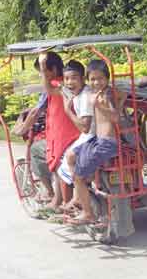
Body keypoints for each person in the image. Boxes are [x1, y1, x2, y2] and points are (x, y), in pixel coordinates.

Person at [66, 60, 126, 225]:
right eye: (92, 79)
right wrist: (118, 103)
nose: (96, 82)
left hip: (106, 143)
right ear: (88, 80)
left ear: (106, 79)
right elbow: (123, 94)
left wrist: (99, 107)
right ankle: (83, 193)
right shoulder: (103, 93)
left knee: (78, 176)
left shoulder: (103, 96)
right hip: (99, 140)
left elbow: (115, 118)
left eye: (100, 79)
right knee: (72, 156)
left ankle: (88, 213)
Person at [38, 52, 81, 211]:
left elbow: (49, 89)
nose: (70, 81)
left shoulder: (61, 85)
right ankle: (59, 199)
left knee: (57, 166)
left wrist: (43, 67)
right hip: (69, 134)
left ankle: (61, 201)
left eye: (43, 72)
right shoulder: (72, 87)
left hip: (69, 136)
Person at [56, 60, 94, 213]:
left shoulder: (84, 97)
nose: (70, 82)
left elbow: (85, 127)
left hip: (91, 136)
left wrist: (67, 111)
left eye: (74, 78)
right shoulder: (80, 92)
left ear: (83, 79)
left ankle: (76, 199)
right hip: (90, 135)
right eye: (66, 79)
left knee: (65, 161)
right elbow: (64, 89)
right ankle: (75, 197)